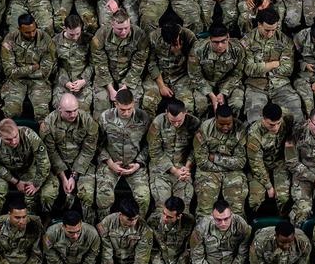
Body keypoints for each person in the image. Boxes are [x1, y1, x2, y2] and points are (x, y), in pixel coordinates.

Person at [39, 93, 99, 220]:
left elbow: (88, 150)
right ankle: (46, 222)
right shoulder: (48, 124)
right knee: (47, 195)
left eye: (75, 110)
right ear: (59, 109)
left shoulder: (88, 121)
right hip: (55, 165)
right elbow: (51, 152)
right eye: (68, 112)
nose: (72, 114)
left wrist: (73, 175)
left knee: (87, 194)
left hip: (82, 163)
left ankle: (88, 225)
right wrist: (63, 177)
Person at [96, 88, 152, 217]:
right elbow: (98, 144)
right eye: (122, 110)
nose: (126, 113)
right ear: (115, 104)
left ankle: (138, 226)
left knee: (143, 197)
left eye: (129, 109)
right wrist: (110, 163)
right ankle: (105, 225)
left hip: (135, 165)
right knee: (104, 196)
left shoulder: (143, 118)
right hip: (110, 164)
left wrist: (138, 164)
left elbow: (149, 145)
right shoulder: (105, 118)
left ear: (134, 104)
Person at [0, 118, 51, 217]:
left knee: (30, 194)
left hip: (28, 167)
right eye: (8, 139)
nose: (13, 142)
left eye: (15, 137)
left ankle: (31, 218)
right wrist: (15, 182)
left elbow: (43, 161)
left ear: (17, 129)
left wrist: (36, 184)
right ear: (0, 135)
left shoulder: (29, 135)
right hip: (6, 171)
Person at [193, 103, 247, 216]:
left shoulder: (240, 129)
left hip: (233, 172)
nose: (225, 127)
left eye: (228, 124)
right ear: (215, 119)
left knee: (237, 209)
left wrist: (215, 158)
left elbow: (241, 162)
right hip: (208, 171)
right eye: (221, 124)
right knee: (205, 209)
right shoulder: (205, 128)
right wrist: (226, 164)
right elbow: (202, 162)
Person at [1, 13, 56, 120]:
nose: (31, 34)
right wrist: (33, 68)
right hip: (15, 82)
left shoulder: (45, 39)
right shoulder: (10, 39)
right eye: (27, 32)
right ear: (19, 29)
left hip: (39, 82)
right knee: (11, 112)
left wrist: (20, 71)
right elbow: (9, 72)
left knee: (42, 114)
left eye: (33, 30)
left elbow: (45, 72)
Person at [147, 99, 198, 207]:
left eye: (179, 121)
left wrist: (187, 166)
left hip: (183, 168)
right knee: (162, 206)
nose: (176, 124)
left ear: (185, 113)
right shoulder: (158, 122)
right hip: (160, 169)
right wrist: (174, 171)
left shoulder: (194, 123)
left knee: (183, 207)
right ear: (166, 113)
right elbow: (154, 150)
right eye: (172, 121)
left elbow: (197, 149)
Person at [247, 103, 294, 214]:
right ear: (263, 119)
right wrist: (268, 186)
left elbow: (292, 132)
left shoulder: (286, 116)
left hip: (279, 161)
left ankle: (283, 222)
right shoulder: (254, 134)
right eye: (272, 125)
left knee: (283, 198)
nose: (276, 128)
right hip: (261, 165)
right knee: (255, 200)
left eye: (278, 123)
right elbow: (256, 163)